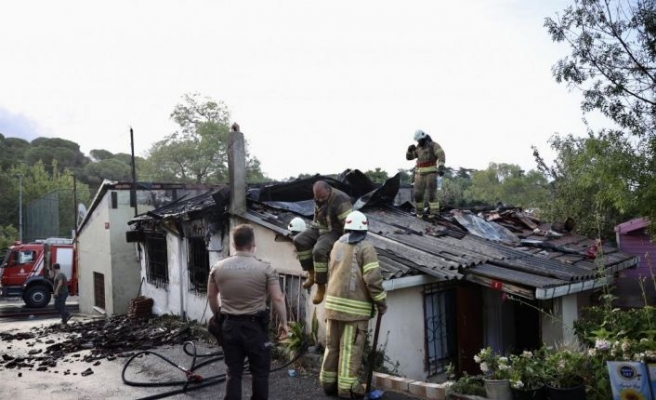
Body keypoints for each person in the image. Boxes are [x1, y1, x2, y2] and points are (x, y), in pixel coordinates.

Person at [207, 224, 289, 400]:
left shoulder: (217, 267)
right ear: (253, 243)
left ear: (234, 244)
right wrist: (284, 323)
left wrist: (217, 316)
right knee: (260, 373)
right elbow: (278, 299)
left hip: (229, 326)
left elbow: (211, 297)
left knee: (233, 373)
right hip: (255, 328)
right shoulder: (266, 269)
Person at [319, 211, 387, 399]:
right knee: (350, 348)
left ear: (346, 227)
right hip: (354, 312)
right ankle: (348, 389)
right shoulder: (366, 248)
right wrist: (381, 302)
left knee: (332, 347)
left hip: (332, 307)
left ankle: (328, 383)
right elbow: (373, 279)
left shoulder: (337, 245)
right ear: (365, 229)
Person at [293, 180, 353, 304]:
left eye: (323, 198)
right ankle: (311, 274)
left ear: (329, 190)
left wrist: (345, 244)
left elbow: (348, 225)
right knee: (299, 240)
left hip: (335, 231)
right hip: (319, 228)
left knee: (319, 250)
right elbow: (317, 218)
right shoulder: (319, 198)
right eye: (317, 198)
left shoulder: (341, 200)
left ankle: (320, 286)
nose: (320, 200)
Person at [405, 129, 446, 218]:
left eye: (419, 140)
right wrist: (409, 150)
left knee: (432, 195)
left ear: (423, 138)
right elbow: (409, 157)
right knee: (418, 195)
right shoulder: (418, 148)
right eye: (417, 140)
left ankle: (434, 214)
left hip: (431, 174)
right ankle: (419, 213)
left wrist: (441, 166)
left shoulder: (433, 145)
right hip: (419, 174)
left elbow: (441, 154)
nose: (418, 142)